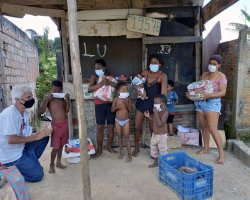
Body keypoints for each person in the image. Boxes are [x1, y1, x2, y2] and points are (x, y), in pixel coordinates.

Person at [0, 85, 52, 182]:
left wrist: (42, 133)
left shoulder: (25, 114)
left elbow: (25, 133)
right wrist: (35, 136)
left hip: (22, 148)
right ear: (17, 99)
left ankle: (29, 162)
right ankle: (10, 171)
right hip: (11, 156)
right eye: (28, 97)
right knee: (37, 176)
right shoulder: (10, 114)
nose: (32, 99)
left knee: (44, 138)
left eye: (31, 97)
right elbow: (11, 139)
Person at [186, 55, 227, 164]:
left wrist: (209, 96)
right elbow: (198, 89)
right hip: (200, 102)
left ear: (219, 65)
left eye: (214, 64)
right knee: (204, 127)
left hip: (212, 103)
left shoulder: (221, 76)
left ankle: (221, 155)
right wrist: (191, 95)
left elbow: (223, 92)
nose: (212, 66)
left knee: (213, 128)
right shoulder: (204, 75)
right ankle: (206, 148)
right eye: (211, 63)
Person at [133, 54, 168, 157]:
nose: (152, 64)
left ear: (160, 64)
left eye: (155, 63)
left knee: (153, 129)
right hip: (142, 103)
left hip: (154, 106)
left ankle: (155, 151)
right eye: (151, 62)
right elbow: (135, 81)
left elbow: (163, 94)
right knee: (137, 127)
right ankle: (136, 147)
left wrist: (160, 106)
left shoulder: (162, 76)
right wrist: (138, 91)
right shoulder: (145, 72)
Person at [38, 80, 70, 173]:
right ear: (51, 88)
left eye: (59, 90)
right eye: (54, 89)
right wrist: (46, 100)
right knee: (56, 147)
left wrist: (67, 100)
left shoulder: (62, 98)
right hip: (56, 125)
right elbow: (41, 112)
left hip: (64, 124)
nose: (56, 92)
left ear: (61, 90)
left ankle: (58, 162)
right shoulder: (48, 98)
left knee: (61, 146)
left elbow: (67, 110)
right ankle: (52, 164)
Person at [88, 59, 117, 158]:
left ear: (104, 68)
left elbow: (117, 86)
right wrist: (100, 84)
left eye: (99, 68)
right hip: (99, 105)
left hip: (110, 104)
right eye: (95, 68)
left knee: (110, 126)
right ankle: (99, 149)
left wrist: (109, 82)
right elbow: (89, 89)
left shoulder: (110, 76)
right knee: (100, 127)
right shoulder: (95, 77)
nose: (97, 70)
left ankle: (109, 146)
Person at [144, 94, 168, 167]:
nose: (154, 105)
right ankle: (155, 163)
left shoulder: (165, 112)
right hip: (155, 134)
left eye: (156, 103)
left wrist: (155, 113)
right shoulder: (157, 110)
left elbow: (160, 124)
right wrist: (148, 116)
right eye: (154, 103)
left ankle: (165, 165)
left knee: (163, 151)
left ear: (162, 103)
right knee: (153, 149)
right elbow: (155, 120)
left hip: (161, 136)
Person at [111, 83, 133, 162]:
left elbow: (130, 110)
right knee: (120, 136)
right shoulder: (116, 99)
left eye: (126, 90)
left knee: (127, 137)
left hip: (126, 120)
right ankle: (121, 151)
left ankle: (129, 155)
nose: (125, 91)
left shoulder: (128, 99)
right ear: (118, 91)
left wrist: (126, 103)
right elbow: (112, 110)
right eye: (123, 90)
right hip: (118, 120)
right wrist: (116, 107)